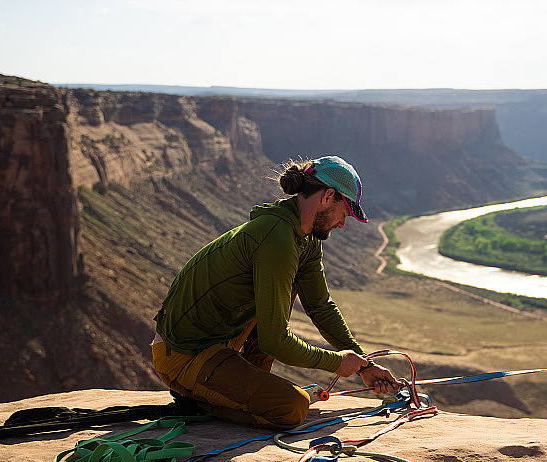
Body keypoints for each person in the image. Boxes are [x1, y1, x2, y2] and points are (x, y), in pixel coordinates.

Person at [150, 155, 400, 429]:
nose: (342, 223)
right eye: (346, 212)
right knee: (292, 408)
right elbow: (274, 341)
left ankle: (243, 383)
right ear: (328, 196)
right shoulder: (277, 240)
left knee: (289, 287)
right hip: (184, 355)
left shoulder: (304, 237)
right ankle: (200, 400)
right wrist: (336, 362)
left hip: (219, 344)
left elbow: (321, 307)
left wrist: (364, 365)